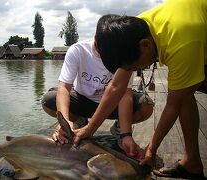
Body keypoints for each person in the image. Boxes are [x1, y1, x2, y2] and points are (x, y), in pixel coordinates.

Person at [73, 0, 206, 179]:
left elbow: (173, 105)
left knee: (182, 96)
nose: (130, 72)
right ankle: (192, 162)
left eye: (131, 67)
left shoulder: (181, 41)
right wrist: (89, 128)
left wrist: (151, 149)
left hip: (193, 36)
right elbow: (115, 86)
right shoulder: (133, 30)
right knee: (185, 94)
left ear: (145, 45)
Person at [42, 15, 154, 159]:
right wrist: (64, 122)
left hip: (111, 105)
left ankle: (119, 128)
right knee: (49, 100)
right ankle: (78, 121)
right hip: (84, 100)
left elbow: (124, 94)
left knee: (146, 106)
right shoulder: (77, 50)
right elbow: (64, 87)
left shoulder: (123, 52)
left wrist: (126, 134)